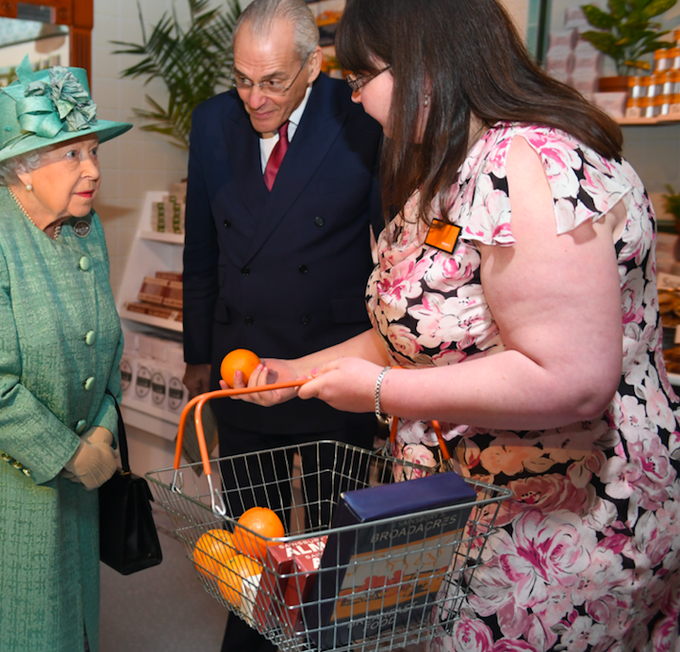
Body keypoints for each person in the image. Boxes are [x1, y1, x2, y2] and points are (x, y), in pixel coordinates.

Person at [236, 0, 680, 650]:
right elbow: (417, 333)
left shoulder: (525, 163)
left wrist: (380, 392)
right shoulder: (459, 165)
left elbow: (571, 378)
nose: (355, 99)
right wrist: (298, 373)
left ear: (421, 64)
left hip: (562, 527)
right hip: (477, 511)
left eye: (361, 79)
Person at [182, 0, 382, 649]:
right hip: (243, 366)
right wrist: (196, 356)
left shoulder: (360, 113)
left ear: (313, 65)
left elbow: (391, 245)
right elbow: (201, 249)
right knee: (249, 548)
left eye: (272, 81)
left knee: (331, 552)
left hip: (335, 365)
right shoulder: (212, 121)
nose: (255, 98)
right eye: (243, 79)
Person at [0, 57, 132, 652]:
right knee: (8, 625)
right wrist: (70, 454)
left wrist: (103, 428)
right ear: (22, 168)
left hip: (81, 472)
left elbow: (106, 344)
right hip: (3, 485)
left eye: (94, 150)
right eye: (73, 154)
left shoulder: (85, 227)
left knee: (68, 619)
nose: (93, 169)